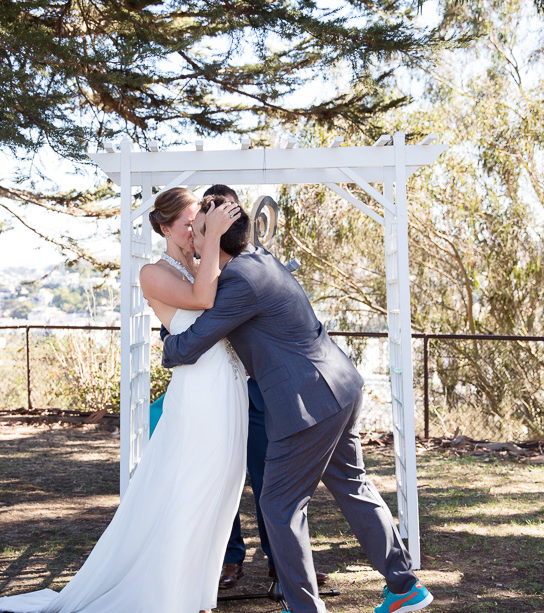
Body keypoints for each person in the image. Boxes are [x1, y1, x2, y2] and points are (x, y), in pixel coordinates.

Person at [0, 187, 249, 613]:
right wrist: (212, 238)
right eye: (190, 222)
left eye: (201, 221)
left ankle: (196, 591)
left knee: (220, 490)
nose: (197, 228)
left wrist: (213, 243)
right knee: (189, 489)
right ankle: (170, 595)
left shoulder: (203, 262)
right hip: (199, 392)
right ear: (165, 226)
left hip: (228, 385)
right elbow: (203, 299)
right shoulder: (153, 273)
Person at [162, 199, 433, 613]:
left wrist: (167, 344)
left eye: (201, 231)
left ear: (218, 237)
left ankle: (304, 607)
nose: (195, 240)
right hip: (339, 386)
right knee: (353, 485)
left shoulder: (240, 282)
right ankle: (404, 586)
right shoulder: (258, 259)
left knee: (279, 506)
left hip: (307, 403)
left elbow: (192, 343)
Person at [201, 185, 327, 591]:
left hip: (260, 393)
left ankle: (282, 566)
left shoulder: (255, 258)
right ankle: (228, 559)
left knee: (268, 479)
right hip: (218, 390)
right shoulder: (199, 263)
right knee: (221, 478)